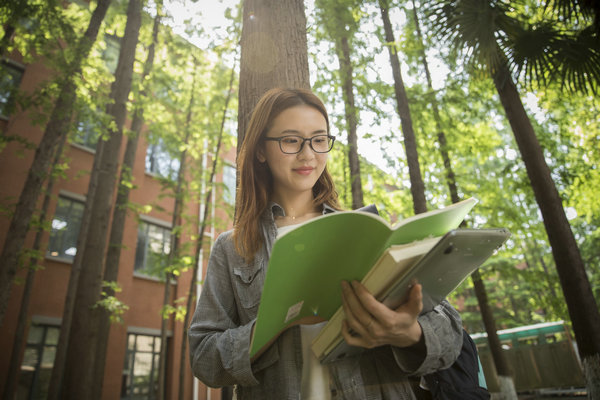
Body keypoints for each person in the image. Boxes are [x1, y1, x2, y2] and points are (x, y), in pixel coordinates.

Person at [188, 88, 463, 399]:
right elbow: (203, 358)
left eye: (319, 139)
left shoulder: (364, 230)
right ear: (261, 151)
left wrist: (408, 332)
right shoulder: (233, 247)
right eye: (291, 140)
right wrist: (275, 323)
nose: (308, 155)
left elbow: (451, 334)